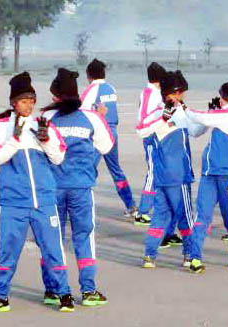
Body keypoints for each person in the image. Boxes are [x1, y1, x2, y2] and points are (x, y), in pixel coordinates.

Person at [0, 72, 74, 313]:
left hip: (44, 200)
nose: (29, 105)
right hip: (13, 202)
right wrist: (15, 138)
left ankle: (63, 293)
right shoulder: (2, 127)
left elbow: (58, 158)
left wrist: (46, 139)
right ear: (13, 103)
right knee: (7, 250)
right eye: (24, 100)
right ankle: (1, 296)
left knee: (53, 249)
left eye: (32, 100)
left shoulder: (43, 124)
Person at [40, 68, 113, 307]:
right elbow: (106, 146)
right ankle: (89, 290)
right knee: (84, 237)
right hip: (81, 188)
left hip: (52, 189)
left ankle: (52, 289)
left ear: (57, 97)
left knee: (52, 239)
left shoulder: (46, 119)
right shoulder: (91, 118)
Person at [139, 70, 206, 270]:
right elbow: (141, 130)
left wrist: (208, 121)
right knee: (185, 215)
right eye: (180, 93)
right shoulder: (165, 113)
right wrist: (164, 119)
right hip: (178, 175)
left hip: (163, 176)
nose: (182, 97)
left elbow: (194, 131)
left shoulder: (172, 112)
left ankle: (149, 256)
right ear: (172, 93)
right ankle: (190, 254)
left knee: (161, 215)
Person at [187, 77, 228, 271]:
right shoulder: (223, 113)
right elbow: (197, 130)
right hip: (210, 173)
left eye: (222, 95)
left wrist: (185, 110)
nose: (219, 98)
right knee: (202, 216)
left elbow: (205, 118)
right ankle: (195, 257)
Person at [80, 58, 137, 218]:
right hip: (113, 132)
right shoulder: (111, 88)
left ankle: (81, 206)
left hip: (99, 133)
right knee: (116, 170)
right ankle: (131, 205)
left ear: (88, 75)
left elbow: (82, 112)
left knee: (87, 169)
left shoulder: (91, 89)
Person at [134, 62, 167, 226]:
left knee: (158, 172)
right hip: (150, 136)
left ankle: (153, 206)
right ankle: (142, 212)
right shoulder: (150, 93)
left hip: (157, 135)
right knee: (153, 172)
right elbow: (143, 118)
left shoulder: (155, 92)